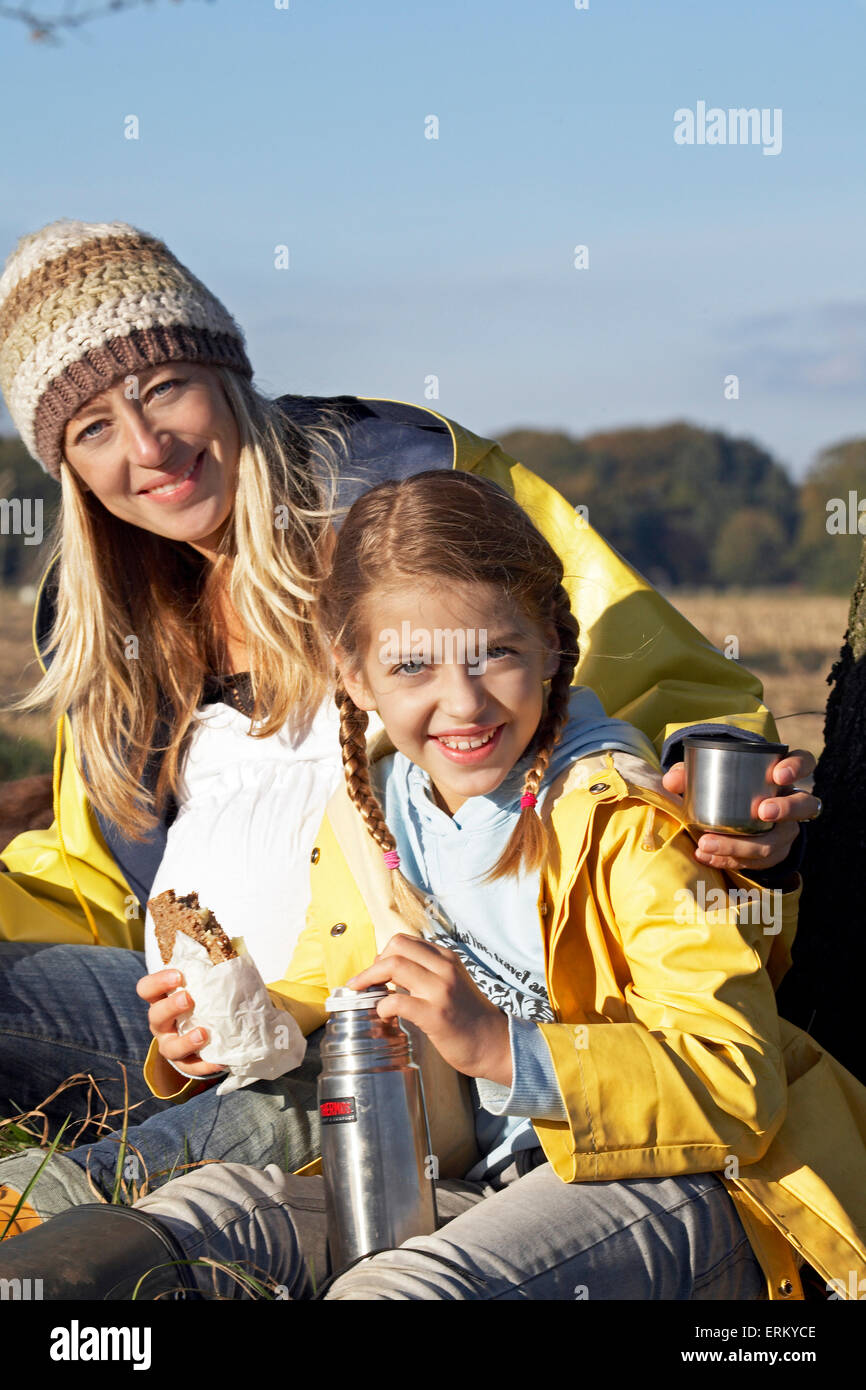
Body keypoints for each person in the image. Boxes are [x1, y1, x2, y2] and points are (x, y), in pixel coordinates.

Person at [0, 219, 817, 1234]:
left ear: (223, 370)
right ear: (68, 469)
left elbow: (617, 658)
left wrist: (716, 782)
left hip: (399, 1016)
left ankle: (81, 1213)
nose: (147, 448)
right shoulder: (105, 618)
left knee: (89, 1201)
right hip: (207, 1016)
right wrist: (180, 1024)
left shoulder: (405, 485)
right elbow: (83, 871)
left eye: (162, 386)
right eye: (91, 430)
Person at [11, 470, 863, 1302]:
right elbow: (328, 975)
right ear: (351, 672)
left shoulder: (625, 819)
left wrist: (500, 1046)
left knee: (409, 1288)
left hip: (669, 1177)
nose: (462, 702)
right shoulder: (374, 808)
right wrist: (232, 1026)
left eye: (496, 653)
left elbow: (739, 1085)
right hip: (459, 1170)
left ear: (552, 646)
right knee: (200, 1222)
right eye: (414, 665)